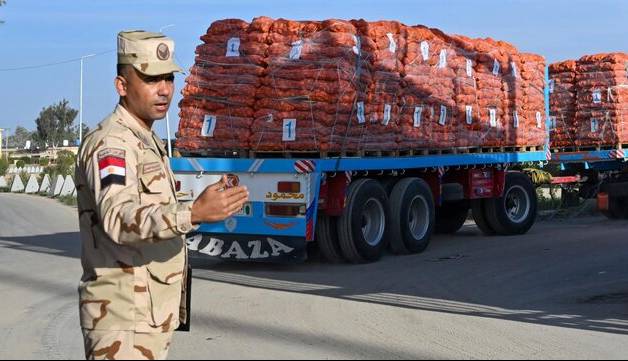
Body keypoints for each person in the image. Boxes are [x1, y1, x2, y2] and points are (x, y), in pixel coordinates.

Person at [75, 30, 249, 360]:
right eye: (152, 79)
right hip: (124, 321)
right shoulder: (112, 143)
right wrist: (192, 214)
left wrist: (193, 207)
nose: (165, 89)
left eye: (168, 77)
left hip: (146, 315)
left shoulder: (144, 140)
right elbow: (118, 217)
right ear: (122, 86)